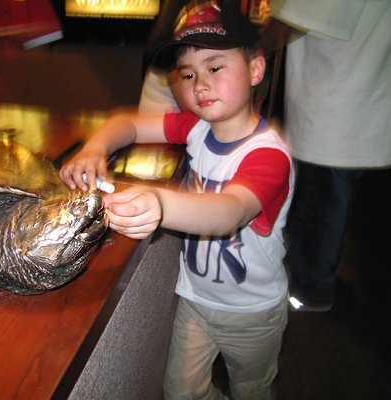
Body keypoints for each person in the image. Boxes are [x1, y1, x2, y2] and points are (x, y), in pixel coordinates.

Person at [60, 1, 294, 398]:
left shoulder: (268, 154)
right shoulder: (198, 127)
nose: (199, 84)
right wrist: (93, 147)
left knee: (252, 387)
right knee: (181, 392)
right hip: (195, 299)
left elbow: (228, 212)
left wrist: (161, 203)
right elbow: (127, 121)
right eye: (188, 73)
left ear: (256, 69)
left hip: (252, 313)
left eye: (215, 67)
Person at [261, 0, 391, 311]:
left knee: (316, 215)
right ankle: (335, 282)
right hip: (366, 106)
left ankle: (310, 296)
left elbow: (297, 19)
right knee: (343, 212)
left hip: (333, 110)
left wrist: (240, 51)